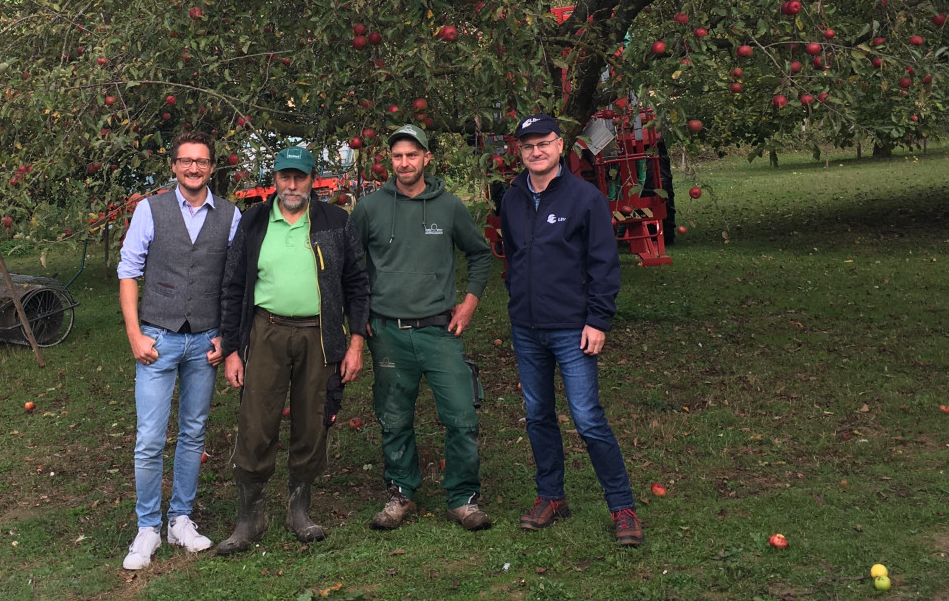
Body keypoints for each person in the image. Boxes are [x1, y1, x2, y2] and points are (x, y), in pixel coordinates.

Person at [498, 113, 643, 545]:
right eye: (528, 146)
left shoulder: (585, 198)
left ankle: (622, 507)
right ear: (520, 152)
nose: (535, 151)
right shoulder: (512, 199)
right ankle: (551, 496)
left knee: (587, 418)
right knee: (538, 415)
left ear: (561, 146)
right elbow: (512, 255)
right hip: (527, 328)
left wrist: (598, 320)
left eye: (543, 143)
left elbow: (604, 264)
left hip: (572, 329)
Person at [217, 146, 370, 554]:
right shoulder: (253, 222)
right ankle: (250, 515)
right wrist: (232, 349)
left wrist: (356, 341)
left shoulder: (334, 222)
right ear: (275, 180)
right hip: (266, 331)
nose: (291, 184)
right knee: (256, 422)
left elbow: (358, 283)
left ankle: (299, 508)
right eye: (284, 176)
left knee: (312, 418)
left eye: (299, 177)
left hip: (318, 335)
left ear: (312, 179)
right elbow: (233, 286)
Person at [351, 124, 493, 531]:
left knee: (462, 415)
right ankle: (401, 493)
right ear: (389, 161)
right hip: (388, 332)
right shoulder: (369, 208)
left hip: (439, 330)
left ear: (427, 158)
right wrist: (358, 318)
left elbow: (480, 255)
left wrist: (469, 303)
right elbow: (352, 267)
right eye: (397, 156)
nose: (405, 162)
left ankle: (462, 498)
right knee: (394, 418)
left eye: (412, 154)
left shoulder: (449, 206)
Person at [116, 130, 241, 567]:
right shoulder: (149, 211)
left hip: (205, 340)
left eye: (201, 161)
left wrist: (227, 336)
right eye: (185, 161)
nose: (193, 168)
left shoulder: (230, 214)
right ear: (174, 166)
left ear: (212, 166)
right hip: (159, 337)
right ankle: (148, 526)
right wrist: (134, 332)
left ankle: (181, 519)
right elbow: (129, 271)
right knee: (149, 438)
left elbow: (234, 282)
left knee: (193, 433)